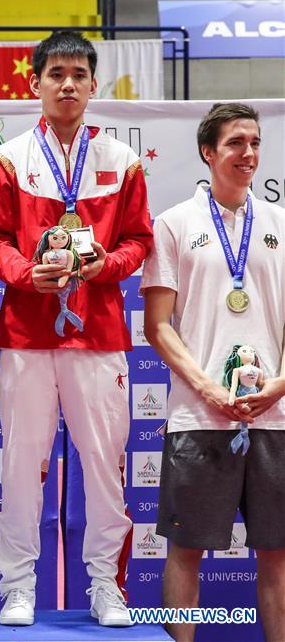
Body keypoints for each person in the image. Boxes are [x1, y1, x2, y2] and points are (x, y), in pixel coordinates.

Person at [0, 30, 153, 627]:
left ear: (93, 84)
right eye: (56, 74)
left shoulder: (123, 162)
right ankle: (18, 587)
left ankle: (107, 584)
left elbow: (138, 242)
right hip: (28, 334)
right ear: (36, 84)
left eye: (79, 74)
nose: (68, 84)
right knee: (21, 465)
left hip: (98, 334)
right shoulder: (8, 160)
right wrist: (28, 275)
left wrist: (107, 265)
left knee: (105, 465)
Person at [142, 103, 285, 642]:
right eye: (235, 143)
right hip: (198, 415)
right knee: (186, 550)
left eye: (254, 142)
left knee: (277, 554)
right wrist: (205, 385)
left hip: (275, 416)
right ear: (208, 152)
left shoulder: (281, 223)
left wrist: (278, 386)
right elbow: (158, 325)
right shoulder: (174, 224)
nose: (248, 153)